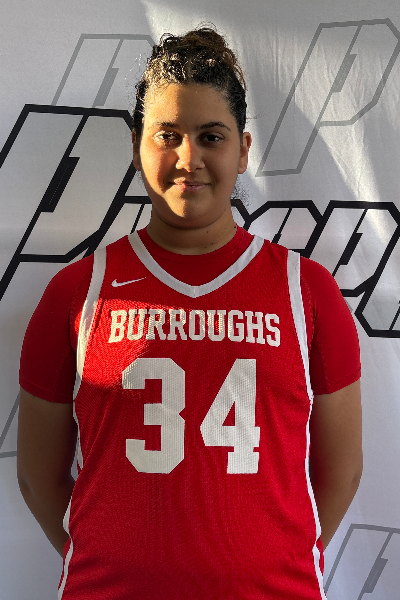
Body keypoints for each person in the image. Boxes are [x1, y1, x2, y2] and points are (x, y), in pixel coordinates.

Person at [17, 26, 362, 600]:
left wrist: (266, 564)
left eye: (210, 136)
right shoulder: (76, 292)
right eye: (168, 135)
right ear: (136, 145)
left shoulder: (308, 292)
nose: (188, 158)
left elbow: (342, 472)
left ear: (243, 150)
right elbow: (37, 478)